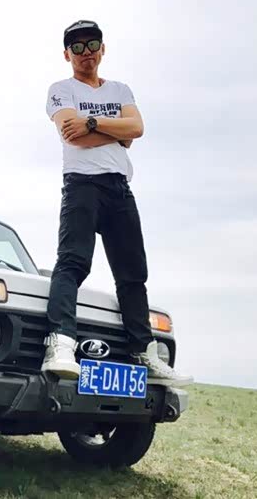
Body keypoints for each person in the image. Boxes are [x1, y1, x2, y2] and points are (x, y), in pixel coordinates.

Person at [42, 20, 192, 387]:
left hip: (120, 189)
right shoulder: (61, 90)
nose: (86, 52)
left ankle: (144, 352)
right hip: (82, 185)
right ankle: (60, 344)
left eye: (92, 44)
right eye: (77, 47)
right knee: (73, 262)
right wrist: (114, 132)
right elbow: (73, 136)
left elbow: (136, 129)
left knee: (133, 273)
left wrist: (91, 123)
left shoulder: (120, 89)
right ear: (66, 54)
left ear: (103, 49)